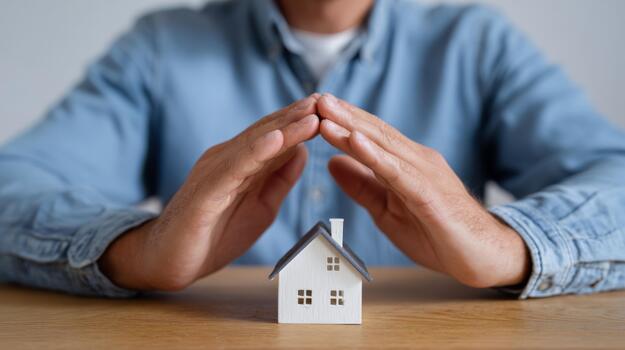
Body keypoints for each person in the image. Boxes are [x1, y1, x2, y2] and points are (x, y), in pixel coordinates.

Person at [1, 0, 624, 299]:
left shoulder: (477, 44)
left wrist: (509, 247)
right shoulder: (161, 47)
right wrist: (135, 252)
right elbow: (13, 184)